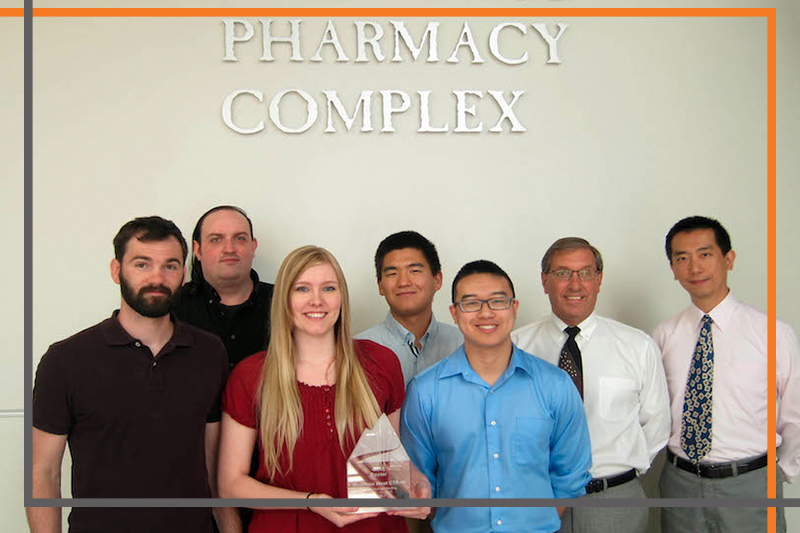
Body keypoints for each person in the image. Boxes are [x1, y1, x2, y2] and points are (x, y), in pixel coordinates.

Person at [28, 216, 233, 533]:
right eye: (142, 264)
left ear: (183, 273)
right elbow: (43, 472)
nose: (157, 277)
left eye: (170, 265)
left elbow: (213, 465)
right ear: (116, 270)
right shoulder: (65, 360)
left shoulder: (209, 353)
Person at [217, 245, 430, 533]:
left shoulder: (380, 362)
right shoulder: (251, 376)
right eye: (302, 289)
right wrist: (308, 501)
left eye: (328, 288)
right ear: (284, 300)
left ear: (342, 297)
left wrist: (415, 481)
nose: (316, 301)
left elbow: (392, 459)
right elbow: (231, 484)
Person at [401, 260, 591, 533]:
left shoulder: (555, 385)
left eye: (498, 301)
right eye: (471, 303)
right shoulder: (426, 390)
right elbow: (418, 479)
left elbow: (570, 472)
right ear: (454, 313)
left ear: (514, 308)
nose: (486, 313)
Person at [652, 216, 800, 533]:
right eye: (682, 258)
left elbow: (795, 412)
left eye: (705, 254)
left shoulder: (772, 332)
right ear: (673, 269)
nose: (695, 268)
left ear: (728, 259)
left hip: (752, 485)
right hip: (681, 484)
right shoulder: (662, 336)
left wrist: (777, 474)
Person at [512, 237, 670, 533]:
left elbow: (657, 424)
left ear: (598, 280)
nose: (575, 284)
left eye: (585, 273)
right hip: (537, 499)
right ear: (544, 281)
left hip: (614, 500)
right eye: (562, 273)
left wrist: (615, 473)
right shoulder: (517, 347)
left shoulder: (637, 346)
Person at [174, 205, 274, 369]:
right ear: (197, 250)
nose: (229, 249)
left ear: (253, 246)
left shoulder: (286, 302)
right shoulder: (172, 307)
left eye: (239, 238)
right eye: (216, 239)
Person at [357, 231, 462, 386]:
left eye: (414, 271)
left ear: (437, 280)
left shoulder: (464, 344)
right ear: (380, 286)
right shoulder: (357, 350)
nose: (403, 282)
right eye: (392, 273)